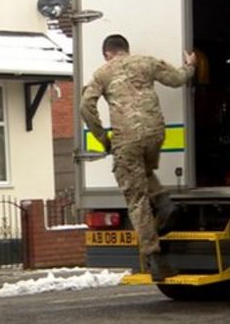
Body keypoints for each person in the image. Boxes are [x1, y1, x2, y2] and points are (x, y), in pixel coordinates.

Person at [80, 34, 196, 281]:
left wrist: (103, 138)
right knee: (142, 172)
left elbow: (85, 106)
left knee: (136, 199)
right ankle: (164, 201)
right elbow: (176, 79)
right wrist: (191, 65)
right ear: (126, 50)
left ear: (107, 54)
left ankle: (155, 259)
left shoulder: (103, 73)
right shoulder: (146, 62)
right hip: (156, 134)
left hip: (127, 140)